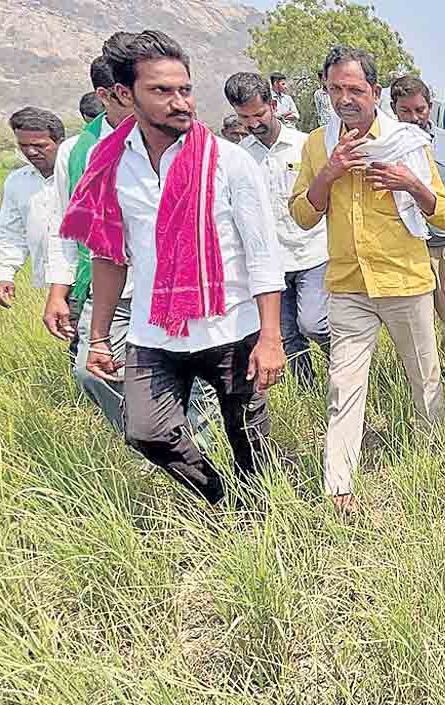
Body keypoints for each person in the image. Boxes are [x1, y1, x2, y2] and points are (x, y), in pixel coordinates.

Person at [64, 30, 286, 506]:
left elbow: (263, 252)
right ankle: (220, 499)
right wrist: (99, 335)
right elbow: (109, 255)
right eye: (161, 91)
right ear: (125, 94)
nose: (180, 102)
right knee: (146, 431)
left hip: (232, 325)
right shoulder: (109, 166)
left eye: (184, 89)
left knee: (249, 439)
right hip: (153, 330)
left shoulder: (228, 161)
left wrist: (270, 338)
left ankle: (266, 519)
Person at [290, 46, 445, 513]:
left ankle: (434, 459)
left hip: (405, 282)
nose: (345, 98)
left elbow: (444, 212)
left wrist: (411, 184)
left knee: (424, 378)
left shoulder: (407, 141)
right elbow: (302, 214)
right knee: (344, 386)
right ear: (326, 91)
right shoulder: (317, 145)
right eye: (336, 89)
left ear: (375, 92)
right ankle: (338, 486)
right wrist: (329, 172)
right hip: (349, 285)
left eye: (355, 89)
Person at [44, 52, 215, 440]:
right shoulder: (78, 154)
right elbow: (63, 224)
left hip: (173, 287)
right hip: (111, 291)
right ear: (111, 94)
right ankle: (150, 437)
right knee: (90, 371)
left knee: (193, 378)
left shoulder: (188, 144)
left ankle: (192, 452)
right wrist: (59, 290)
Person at [227, 72, 331, 384]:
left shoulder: (306, 146)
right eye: (245, 118)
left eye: (259, 114)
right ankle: (310, 393)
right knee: (288, 337)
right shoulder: (239, 157)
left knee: (315, 323)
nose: (253, 123)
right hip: (271, 264)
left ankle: (345, 366)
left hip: (314, 253)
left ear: (273, 105)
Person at [390, 76, 445, 352]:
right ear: (393, 109)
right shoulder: (385, 145)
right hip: (405, 248)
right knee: (412, 323)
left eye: (420, 110)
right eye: (405, 111)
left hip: (444, 245)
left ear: (429, 108)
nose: (413, 118)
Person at [0, 108, 64, 310]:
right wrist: (4, 274)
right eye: (23, 146)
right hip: (49, 284)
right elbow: (11, 232)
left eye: (39, 145)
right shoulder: (18, 181)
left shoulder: (79, 175)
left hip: (88, 280)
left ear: (60, 142)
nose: (31, 152)